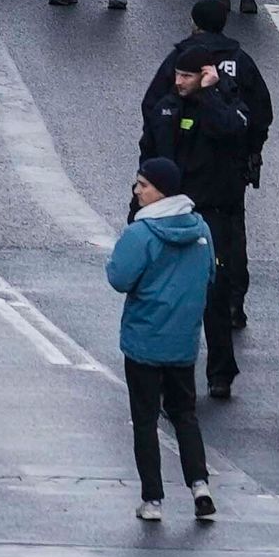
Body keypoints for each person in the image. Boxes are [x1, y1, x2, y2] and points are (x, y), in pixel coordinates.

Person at [133, 3, 271, 397]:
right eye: (177, 74)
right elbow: (151, 153)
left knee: (213, 293)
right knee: (169, 297)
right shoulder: (167, 108)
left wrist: (211, 97)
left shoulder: (224, 104)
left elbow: (236, 127)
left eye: (187, 75)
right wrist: (139, 207)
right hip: (173, 211)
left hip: (213, 209)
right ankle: (169, 373)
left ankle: (221, 372)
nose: (178, 80)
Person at [107, 170, 219, 529]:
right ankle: (200, 487)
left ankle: (152, 499)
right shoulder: (201, 230)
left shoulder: (141, 234)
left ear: (162, 191)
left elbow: (119, 277)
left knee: (145, 420)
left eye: (143, 184)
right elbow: (210, 277)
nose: (136, 189)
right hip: (182, 342)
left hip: (144, 342)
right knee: (184, 414)